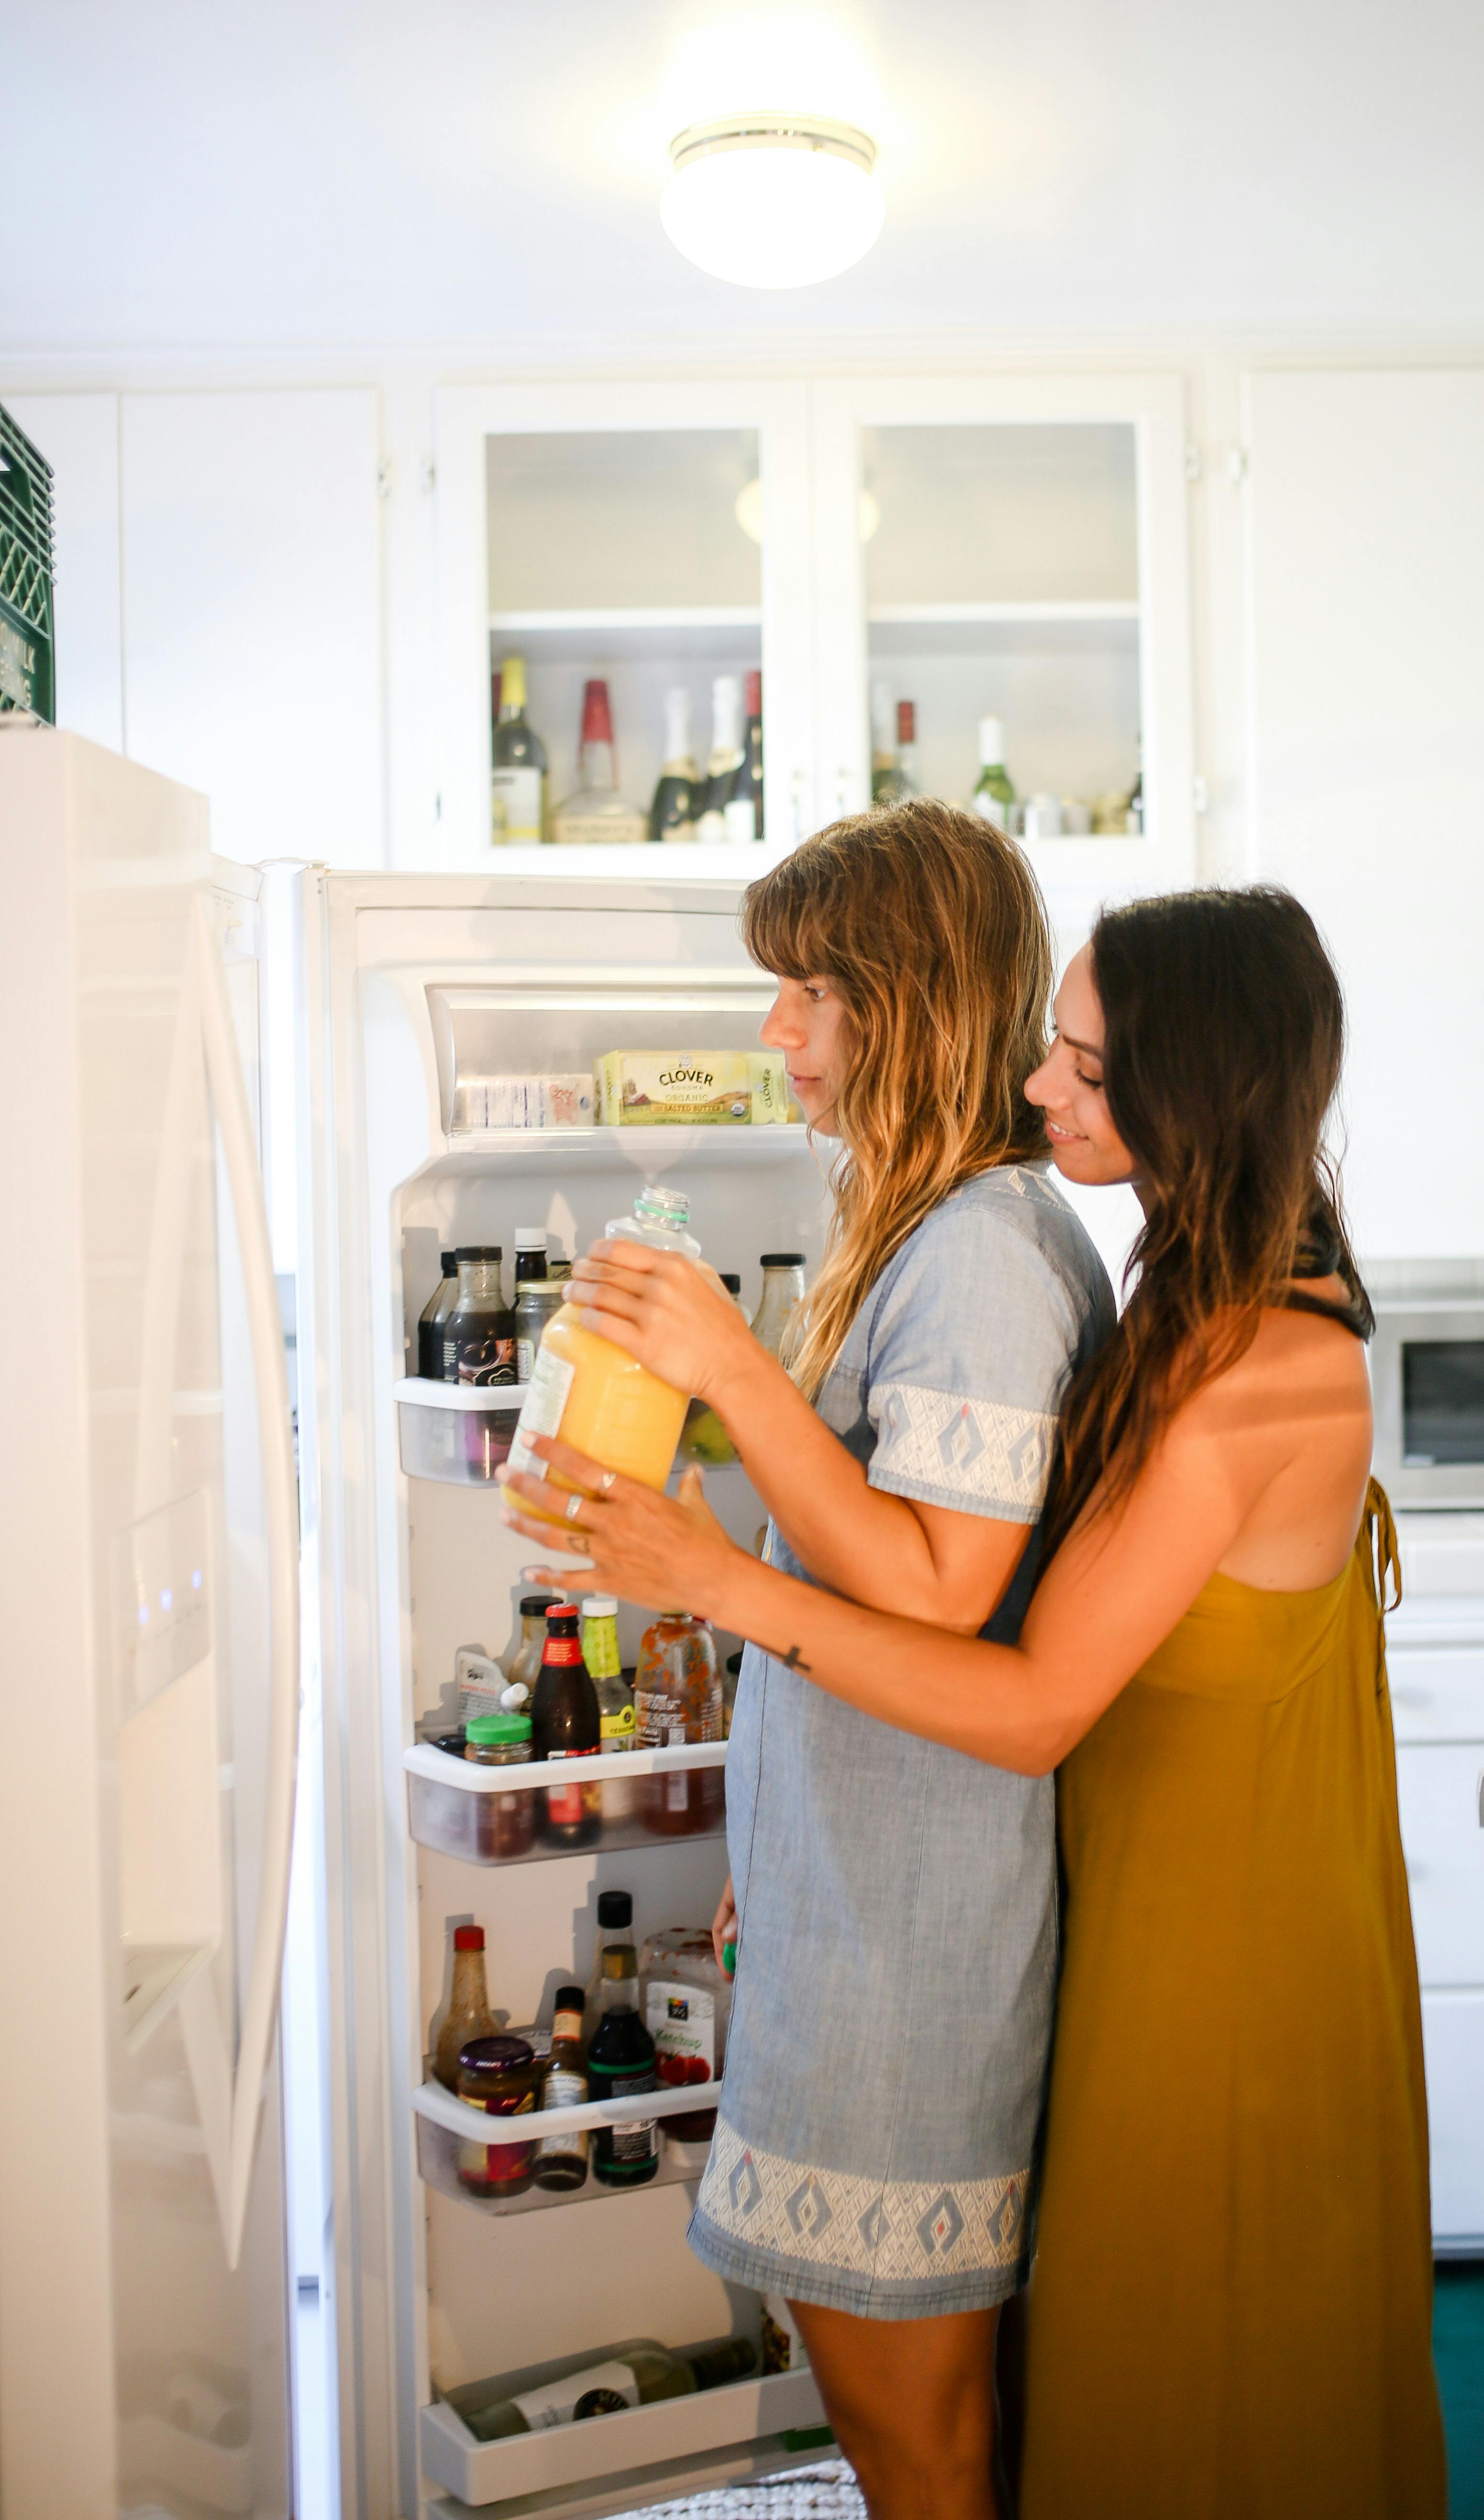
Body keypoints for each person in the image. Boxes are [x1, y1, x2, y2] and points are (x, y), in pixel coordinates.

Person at [510, 882, 1446, 2520]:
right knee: (1105, 2383)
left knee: (1204, 2367)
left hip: (1232, 1946)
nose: (1042, 1088)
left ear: (1193, 1088)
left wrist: (723, 1576)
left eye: (1085, 1068)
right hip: (1136, 1898)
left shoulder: (1262, 1367)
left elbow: (1023, 1698)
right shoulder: (1183, 1294)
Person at [527, 800, 1113, 2520]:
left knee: (912, 2434)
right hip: (851, 1897)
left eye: (806, 990)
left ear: (906, 1000)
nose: (774, 1029)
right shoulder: (927, 1228)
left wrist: (713, 1495)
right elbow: (865, 1530)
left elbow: (939, 1589)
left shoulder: (989, 1255)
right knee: (879, 2416)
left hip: (913, 1942)